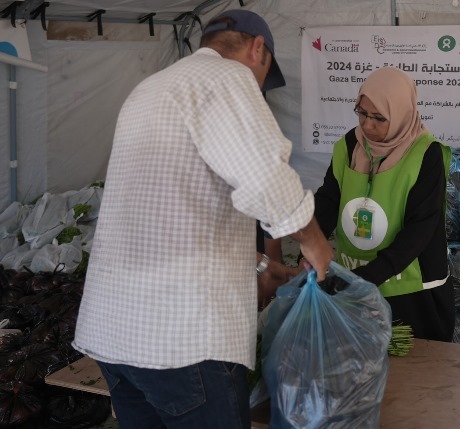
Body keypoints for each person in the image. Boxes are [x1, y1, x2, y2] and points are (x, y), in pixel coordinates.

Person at [72, 9, 333, 428]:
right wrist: (316, 244)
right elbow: (268, 180)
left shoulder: (151, 88)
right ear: (257, 48)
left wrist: (266, 266)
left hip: (114, 334)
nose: (260, 88)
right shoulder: (228, 79)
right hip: (181, 341)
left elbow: (176, 213)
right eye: (264, 77)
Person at [312, 67, 454, 341]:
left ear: (401, 114)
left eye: (379, 118)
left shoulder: (426, 153)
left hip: (411, 291)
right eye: (362, 112)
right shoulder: (350, 144)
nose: (367, 125)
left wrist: (366, 277)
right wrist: (310, 242)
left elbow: (421, 229)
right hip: (355, 281)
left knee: (417, 373)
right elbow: (329, 199)